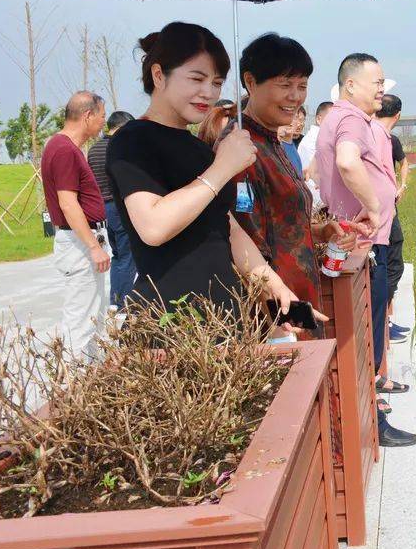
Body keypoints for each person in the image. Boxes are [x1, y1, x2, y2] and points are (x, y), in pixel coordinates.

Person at [105, 21, 310, 323]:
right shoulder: (133, 140)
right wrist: (222, 168)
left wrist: (274, 287)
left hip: (223, 317)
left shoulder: (198, 149)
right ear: (159, 75)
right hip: (174, 322)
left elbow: (228, 228)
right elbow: (153, 227)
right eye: (197, 79)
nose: (208, 93)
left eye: (216, 83)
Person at [224, 33, 359, 340]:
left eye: (302, 86)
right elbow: (245, 242)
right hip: (277, 317)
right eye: (285, 85)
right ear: (250, 81)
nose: (295, 97)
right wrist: (278, 318)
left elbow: (278, 225)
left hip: (300, 299)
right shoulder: (240, 149)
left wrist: (320, 231)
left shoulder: (273, 142)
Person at [316, 53, 416, 448]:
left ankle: (372, 416)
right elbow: (346, 162)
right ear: (350, 85)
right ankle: (373, 422)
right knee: (366, 338)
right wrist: (375, 206)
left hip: (357, 246)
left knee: (367, 335)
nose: (381, 88)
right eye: (376, 81)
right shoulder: (351, 119)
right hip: (363, 246)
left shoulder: (343, 119)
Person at [40, 91, 109, 360]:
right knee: (81, 322)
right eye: (102, 115)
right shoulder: (64, 149)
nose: (103, 121)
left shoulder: (65, 147)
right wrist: (93, 246)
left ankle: (90, 384)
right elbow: (68, 204)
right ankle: (74, 389)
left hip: (84, 239)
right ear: (87, 115)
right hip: (80, 244)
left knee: (93, 318)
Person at [87, 110, 136, 308]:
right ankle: (123, 300)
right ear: (122, 127)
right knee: (127, 256)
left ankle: (116, 298)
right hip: (119, 207)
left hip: (102, 209)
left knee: (118, 255)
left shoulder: (94, 149)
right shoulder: (119, 148)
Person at [373, 94, 410, 343]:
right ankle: (382, 324)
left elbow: (398, 166)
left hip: (384, 211)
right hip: (378, 215)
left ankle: (384, 321)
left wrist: (401, 185)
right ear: (397, 116)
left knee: (388, 264)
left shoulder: (385, 137)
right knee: (388, 266)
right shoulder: (376, 135)